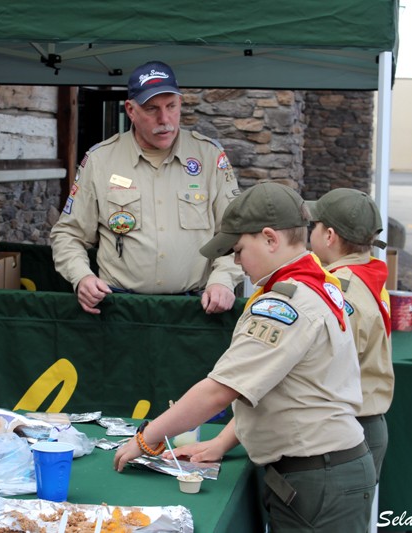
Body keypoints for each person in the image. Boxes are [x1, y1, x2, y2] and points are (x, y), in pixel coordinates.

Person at [113, 182, 376, 532]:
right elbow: (280, 388)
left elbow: (219, 391)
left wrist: (147, 437)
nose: (236, 261)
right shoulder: (315, 284)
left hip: (318, 474)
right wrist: (223, 441)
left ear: (270, 238)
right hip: (322, 468)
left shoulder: (284, 304)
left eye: (239, 250)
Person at [50, 60, 242, 315]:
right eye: (152, 109)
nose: (164, 119)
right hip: (119, 309)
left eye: (171, 106)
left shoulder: (209, 156)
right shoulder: (100, 160)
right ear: (130, 109)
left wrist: (223, 280)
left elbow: (237, 233)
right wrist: (81, 277)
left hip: (196, 309)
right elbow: (68, 235)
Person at [307, 188, 394, 479]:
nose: (310, 233)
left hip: (346, 431)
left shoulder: (340, 291)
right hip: (365, 423)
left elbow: (327, 367)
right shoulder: (370, 275)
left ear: (329, 236)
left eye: (314, 226)